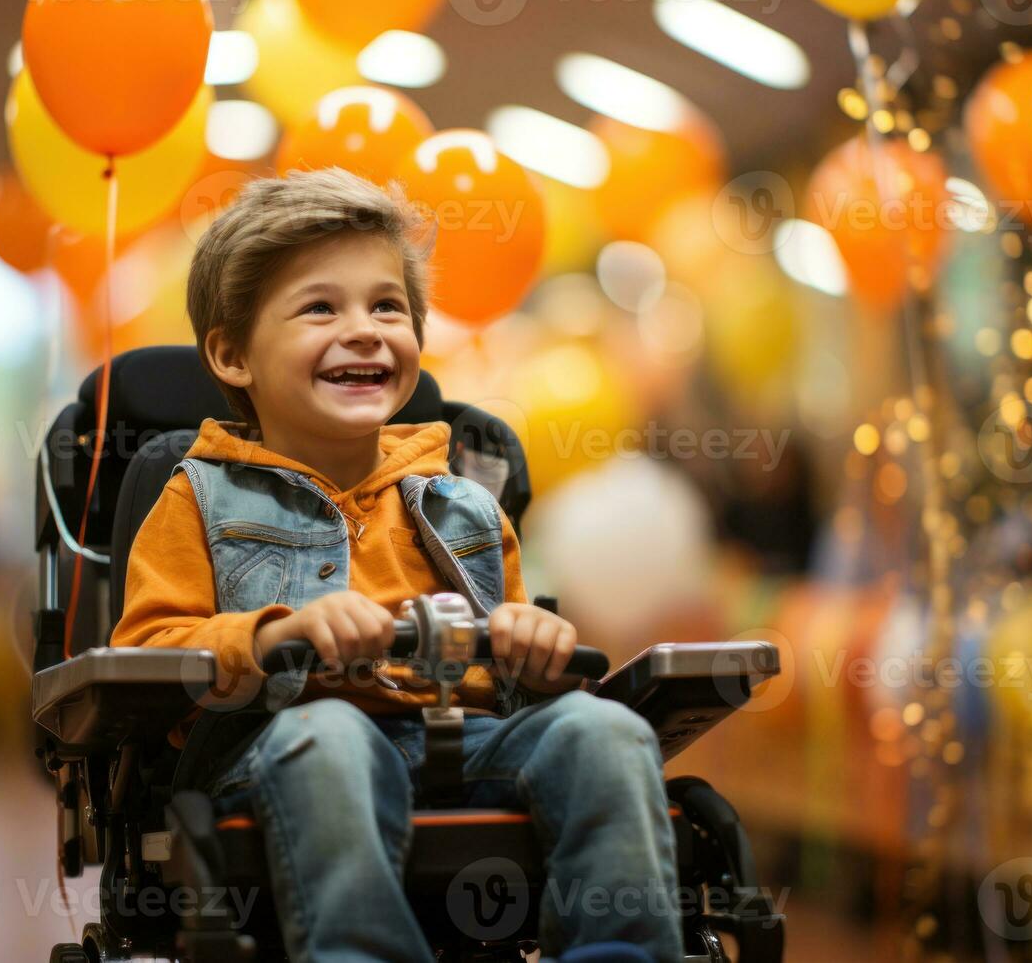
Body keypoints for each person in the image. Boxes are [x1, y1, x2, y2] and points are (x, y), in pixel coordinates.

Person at [111, 168, 682, 962]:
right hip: (279, 753)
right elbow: (147, 654)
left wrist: (530, 644)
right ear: (233, 354)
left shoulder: (464, 503)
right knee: (333, 737)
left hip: (466, 744)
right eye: (321, 307)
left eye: (388, 306)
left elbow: (515, 685)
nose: (366, 329)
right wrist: (277, 634)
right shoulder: (199, 497)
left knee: (602, 731)